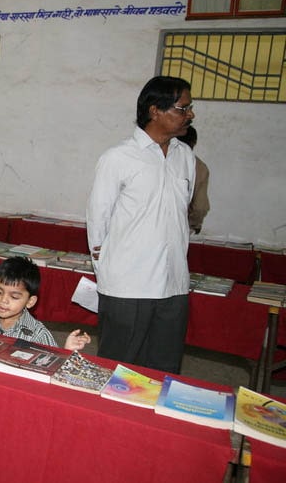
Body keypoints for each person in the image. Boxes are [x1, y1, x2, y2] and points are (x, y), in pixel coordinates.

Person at [86, 76, 196, 375]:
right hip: (128, 286)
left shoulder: (185, 156)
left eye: (189, 108)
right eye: (182, 108)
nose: (190, 114)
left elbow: (181, 213)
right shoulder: (118, 158)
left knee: (164, 370)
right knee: (118, 369)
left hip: (174, 283)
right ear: (154, 110)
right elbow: (98, 220)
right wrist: (108, 273)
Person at [0, 256, 91, 350]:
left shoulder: (38, 335)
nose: (3, 300)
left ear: (30, 301)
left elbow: (53, 367)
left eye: (14, 296)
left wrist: (67, 351)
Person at [177, 125, 210, 234]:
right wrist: (194, 224)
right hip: (181, 227)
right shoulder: (200, 168)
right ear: (194, 142)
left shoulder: (159, 160)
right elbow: (200, 207)